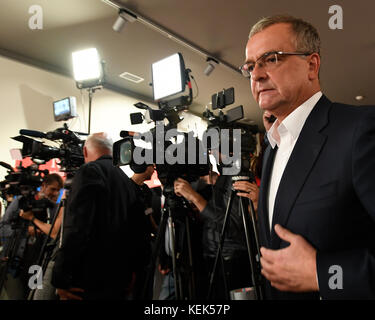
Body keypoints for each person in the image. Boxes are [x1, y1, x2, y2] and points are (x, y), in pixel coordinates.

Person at [241, 14, 375, 299]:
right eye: (251, 66)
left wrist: (322, 273)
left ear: (311, 65)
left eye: (272, 59)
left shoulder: (360, 130)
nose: (257, 74)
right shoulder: (272, 148)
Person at [51, 132, 146, 300]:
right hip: (120, 277)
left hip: (89, 279)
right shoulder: (125, 180)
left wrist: (60, 277)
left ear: (85, 152)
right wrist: (133, 270)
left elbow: (77, 227)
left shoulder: (90, 171)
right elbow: (137, 230)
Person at [173, 167, 260, 299]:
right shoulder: (222, 176)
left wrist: (195, 198)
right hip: (214, 258)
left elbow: (231, 226)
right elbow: (215, 218)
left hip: (231, 261)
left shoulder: (236, 175)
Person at [0, 173, 63, 300]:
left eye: (58, 190)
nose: (55, 193)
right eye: (53, 189)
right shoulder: (21, 201)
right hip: (15, 263)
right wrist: (25, 231)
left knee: (32, 296)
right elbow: (2, 228)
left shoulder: (54, 208)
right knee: (16, 296)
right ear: (44, 186)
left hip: (37, 266)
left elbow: (54, 234)